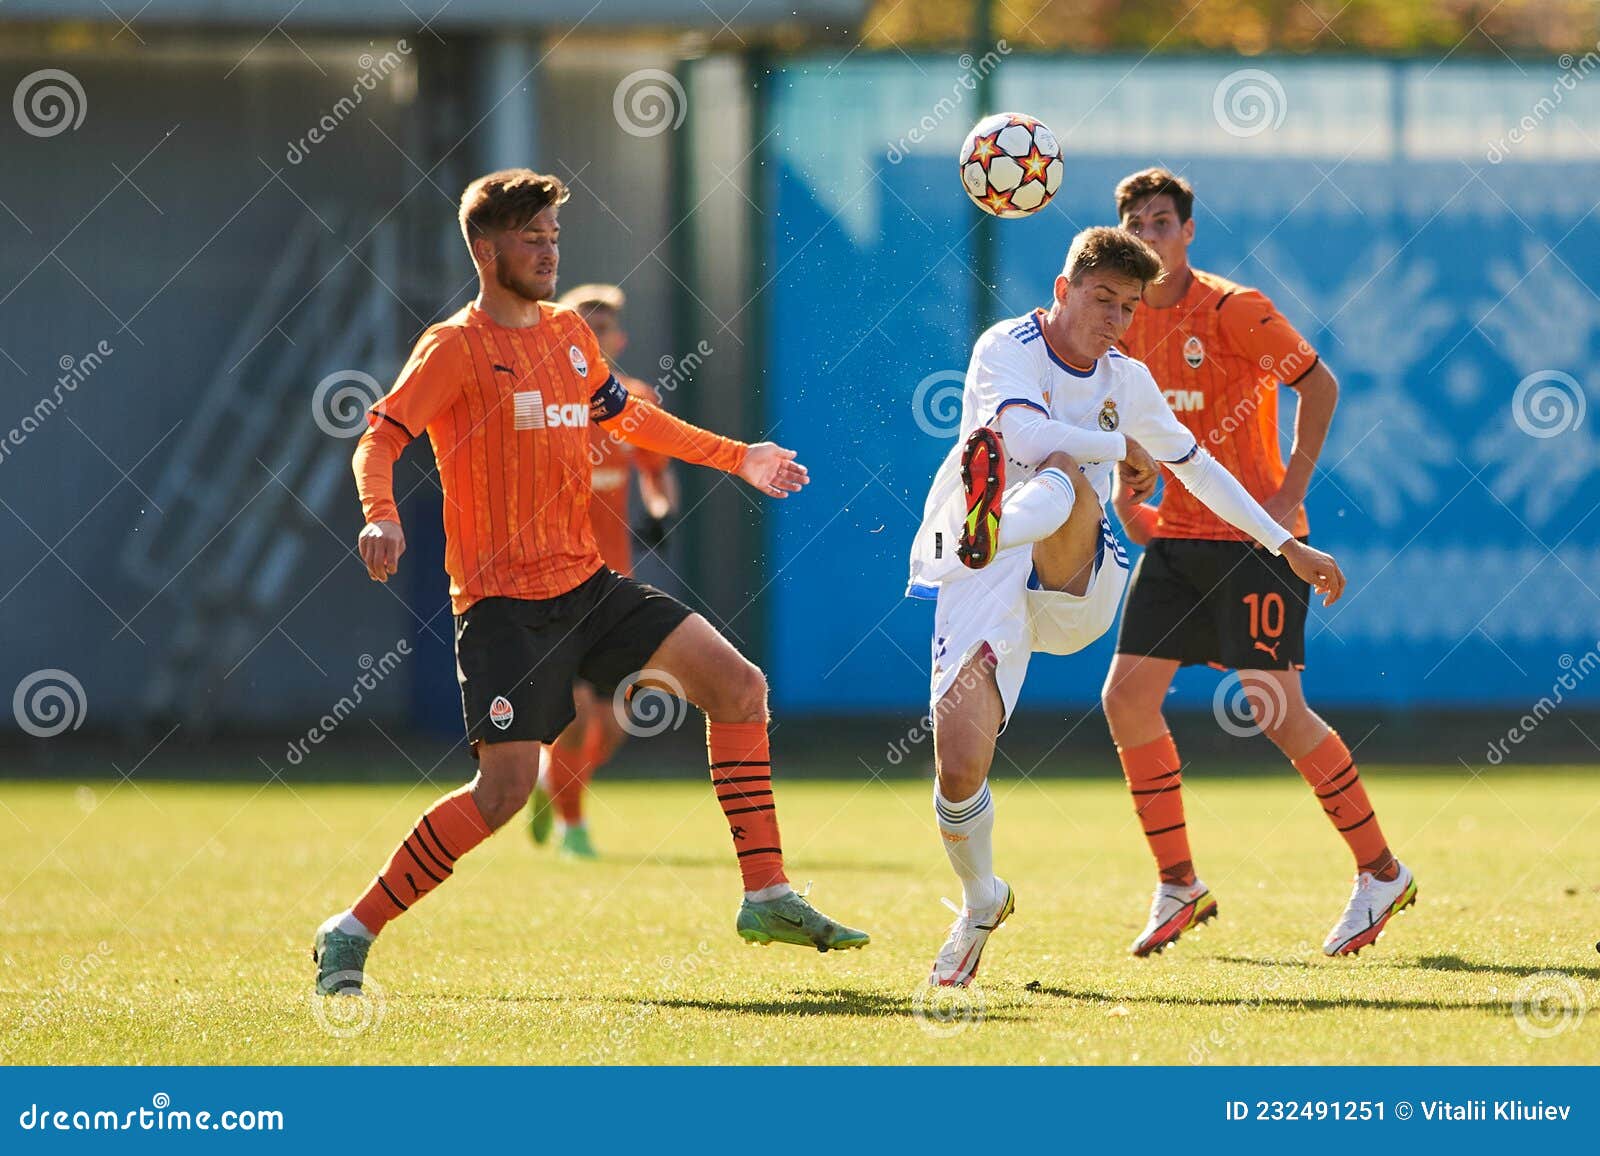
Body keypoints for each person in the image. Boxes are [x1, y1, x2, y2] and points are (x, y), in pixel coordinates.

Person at [313, 169, 868, 997]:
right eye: (531, 239)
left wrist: (738, 457)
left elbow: (631, 418)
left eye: (553, 238)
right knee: (501, 795)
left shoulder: (570, 333)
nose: (547, 251)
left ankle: (767, 893)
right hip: (504, 605)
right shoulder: (454, 346)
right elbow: (381, 438)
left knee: (738, 685)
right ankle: (351, 930)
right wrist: (380, 515)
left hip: (589, 585)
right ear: (484, 248)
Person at [906, 226, 1346, 988]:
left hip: (1074, 568)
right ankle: (981, 898)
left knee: (1062, 479)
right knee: (958, 767)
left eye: (1128, 307)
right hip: (984, 574)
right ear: (1062, 290)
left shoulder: (1127, 379)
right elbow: (1016, 428)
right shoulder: (1004, 347)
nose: (1114, 319)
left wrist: (1285, 545)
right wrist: (1122, 450)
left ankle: (993, 524)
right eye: (1101, 299)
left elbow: (1200, 470)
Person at [1106, 167, 1414, 958]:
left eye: (1164, 221)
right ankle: (1179, 883)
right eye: (1137, 223)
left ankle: (1381, 872)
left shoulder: (1233, 309)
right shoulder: (1126, 318)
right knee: (1127, 700)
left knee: (1276, 710)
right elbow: (1131, 415)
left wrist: (1288, 499)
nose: (1152, 235)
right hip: (1175, 540)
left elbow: (1321, 385)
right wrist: (1124, 483)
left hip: (1254, 543)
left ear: (1189, 232)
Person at [525, 283, 678, 859]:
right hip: (556, 583)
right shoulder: (540, 401)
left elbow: (657, 472)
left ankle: (553, 784)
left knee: (612, 727)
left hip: (613, 586)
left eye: (602, 326)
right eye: (581, 325)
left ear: (618, 338)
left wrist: (661, 513)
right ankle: (573, 827)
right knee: (574, 715)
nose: (592, 336)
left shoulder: (634, 400)